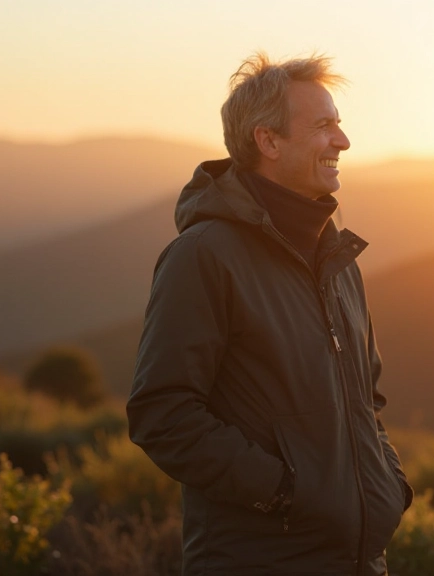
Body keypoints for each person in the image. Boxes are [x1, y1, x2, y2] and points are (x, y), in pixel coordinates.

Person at [126, 52, 413, 575]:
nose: (343, 141)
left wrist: (388, 485)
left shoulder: (337, 259)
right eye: (324, 126)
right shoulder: (204, 255)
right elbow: (162, 414)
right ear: (269, 141)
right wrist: (284, 491)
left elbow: (366, 401)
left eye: (340, 125)